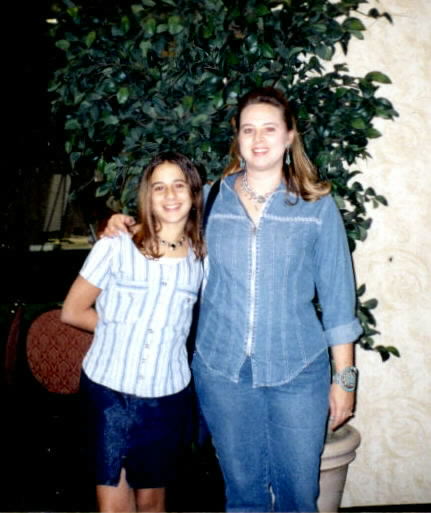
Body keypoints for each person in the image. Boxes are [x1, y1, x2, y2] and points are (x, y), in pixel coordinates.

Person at [104, 87, 363, 513]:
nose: (258, 139)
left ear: (289, 136)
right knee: (243, 496)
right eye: (248, 129)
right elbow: (156, 228)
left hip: (298, 371)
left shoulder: (316, 206)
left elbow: (338, 302)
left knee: (300, 497)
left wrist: (344, 381)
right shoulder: (209, 200)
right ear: (237, 137)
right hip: (222, 372)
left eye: (269, 129)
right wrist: (119, 223)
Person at [61, 151, 205, 513]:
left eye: (179, 185)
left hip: (166, 396)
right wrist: (121, 330)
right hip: (109, 393)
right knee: (112, 505)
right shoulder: (117, 244)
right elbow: (73, 311)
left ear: (193, 192)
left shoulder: (204, 257)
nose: (170, 196)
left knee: (153, 503)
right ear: (147, 195)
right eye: (160, 187)